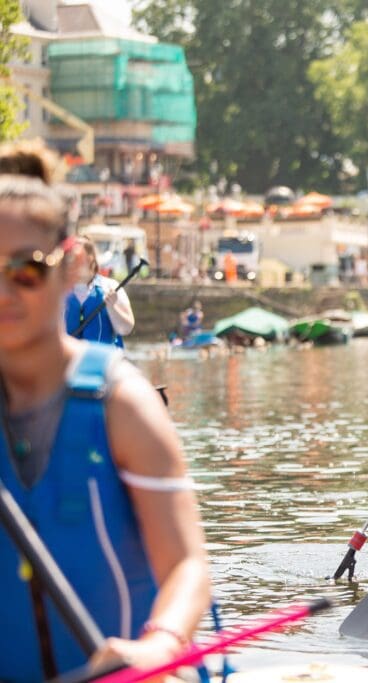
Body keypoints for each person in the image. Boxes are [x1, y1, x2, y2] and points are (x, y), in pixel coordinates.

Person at [0, 173, 210, 681]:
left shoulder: (125, 403)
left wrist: (160, 645)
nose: (5, 291)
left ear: (70, 264)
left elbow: (188, 566)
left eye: (25, 269)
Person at [65, 235, 135, 348]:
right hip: (69, 363)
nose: (71, 262)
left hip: (102, 362)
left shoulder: (110, 287)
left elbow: (126, 329)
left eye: (77, 258)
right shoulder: (58, 291)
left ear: (90, 258)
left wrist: (112, 307)